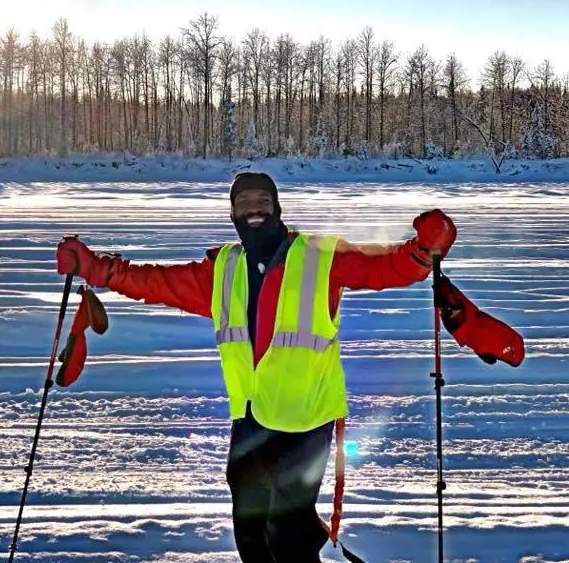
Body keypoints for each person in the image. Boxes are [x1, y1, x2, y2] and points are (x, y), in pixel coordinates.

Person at [56, 171, 457, 563]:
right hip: (250, 419)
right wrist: (97, 269)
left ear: (277, 208)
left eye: (263, 201)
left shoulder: (319, 256)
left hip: (305, 421)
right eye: (244, 202)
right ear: (232, 212)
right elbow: (158, 282)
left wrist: (422, 252)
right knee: (250, 532)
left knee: (289, 535)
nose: (254, 209)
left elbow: (384, 267)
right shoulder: (224, 268)